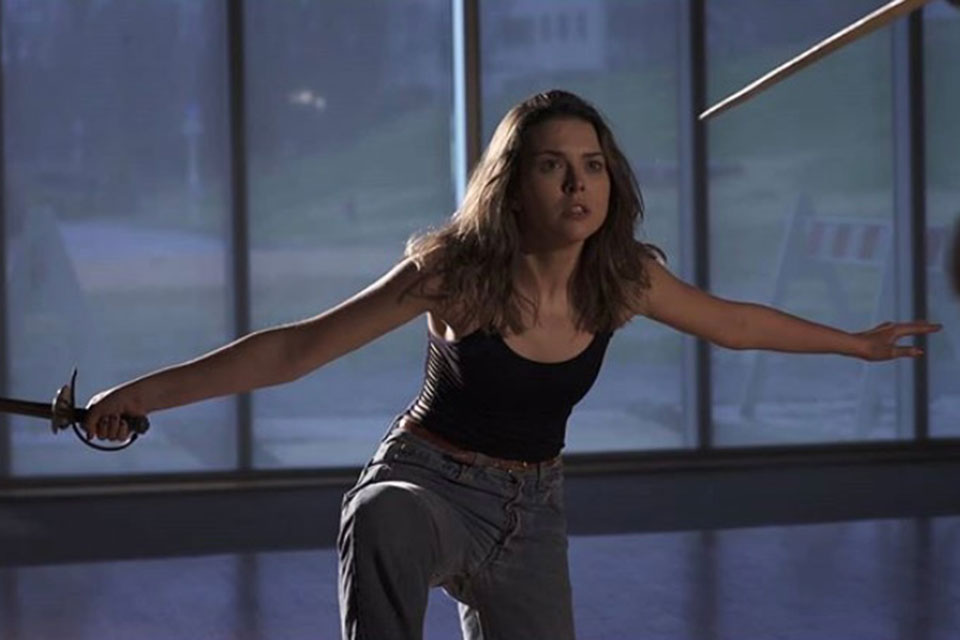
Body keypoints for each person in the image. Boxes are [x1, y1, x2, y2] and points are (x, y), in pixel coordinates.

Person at [82, 90, 941, 640]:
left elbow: (736, 325)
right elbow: (295, 349)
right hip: (427, 483)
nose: (578, 186)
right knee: (380, 515)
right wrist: (139, 394)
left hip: (533, 515)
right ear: (513, 185)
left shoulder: (623, 277)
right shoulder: (454, 272)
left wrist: (855, 342)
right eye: (553, 167)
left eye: (593, 167)